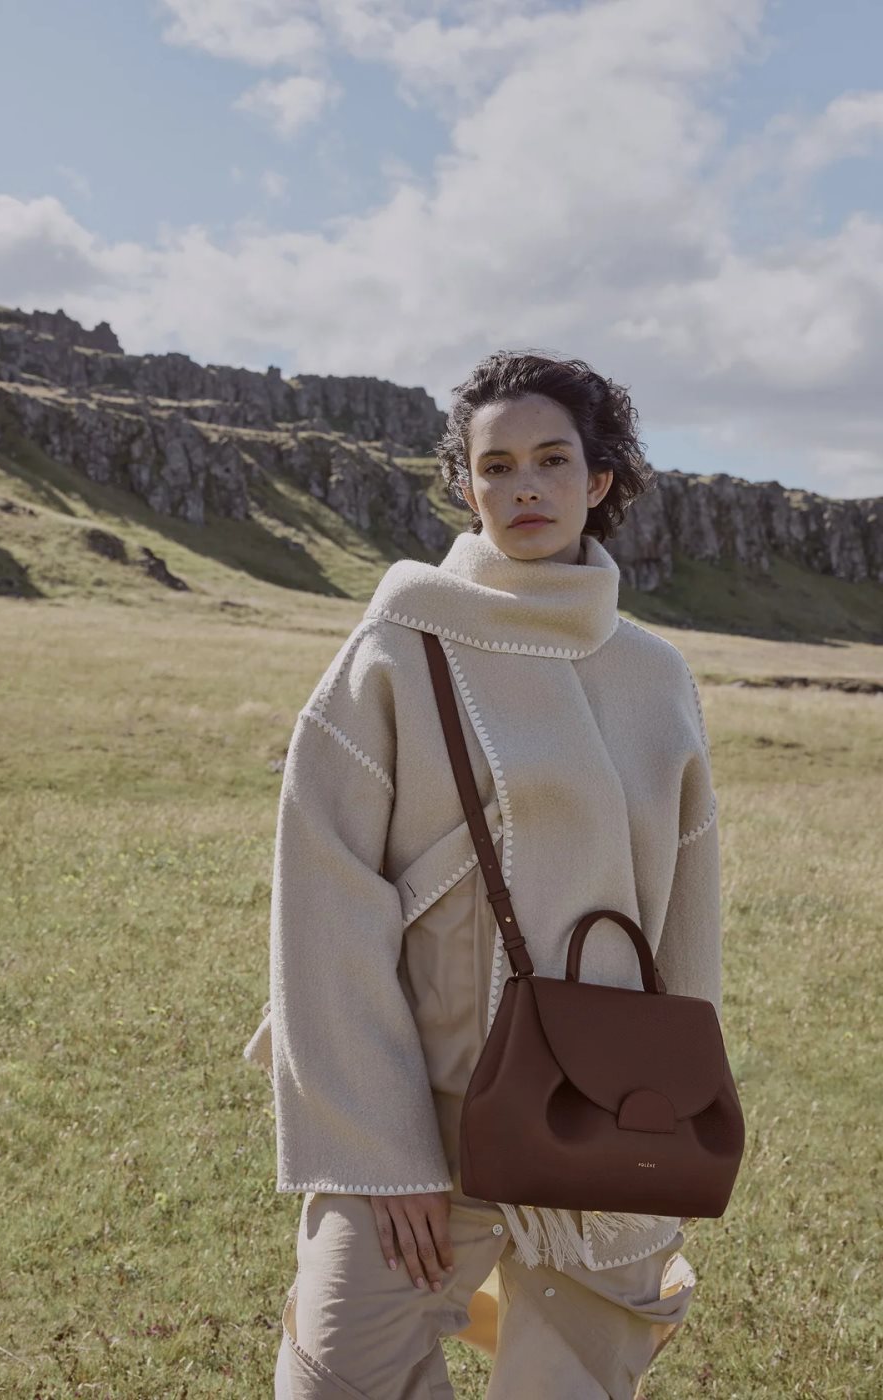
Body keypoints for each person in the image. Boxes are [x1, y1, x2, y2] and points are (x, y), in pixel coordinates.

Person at [243, 349, 720, 1397]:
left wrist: (667, 1118)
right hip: (421, 1113)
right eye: (494, 466)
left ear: (599, 480)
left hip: (598, 1125)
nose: (524, 487)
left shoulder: (654, 674)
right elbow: (323, 901)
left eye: (552, 460)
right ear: (466, 485)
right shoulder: (395, 649)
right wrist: (384, 1151)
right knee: (336, 1375)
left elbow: (685, 915)